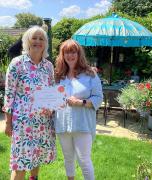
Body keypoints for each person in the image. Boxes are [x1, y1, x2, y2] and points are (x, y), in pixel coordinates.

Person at [3, 26, 56, 180]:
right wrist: (8, 121)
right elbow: (9, 94)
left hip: (42, 122)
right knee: (20, 163)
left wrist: (51, 108)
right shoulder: (17, 63)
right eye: (34, 38)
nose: (38, 41)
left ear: (45, 43)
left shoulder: (48, 66)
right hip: (23, 124)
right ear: (27, 40)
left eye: (41, 38)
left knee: (36, 157)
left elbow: (51, 92)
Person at [55, 39, 103, 180]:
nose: (70, 55)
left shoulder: (90, 74)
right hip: (63, 124)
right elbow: (53, 99)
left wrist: (80, 102)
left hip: (82, 125)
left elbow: (98, 98)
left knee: (84, 161)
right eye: (66, 52)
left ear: (78, 53)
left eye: (73, 52)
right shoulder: (59, 76)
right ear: (62, 55)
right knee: (68, 159)